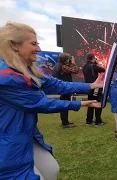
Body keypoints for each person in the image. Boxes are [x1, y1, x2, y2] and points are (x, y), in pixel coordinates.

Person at [0, 22, 103, 180]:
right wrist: (81, 103)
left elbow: (56, 84)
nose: (39, 49)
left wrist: (91, 85)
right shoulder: (6, 78)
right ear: (14, 46)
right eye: (33, 44)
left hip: (24, 133)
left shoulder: (26, 70)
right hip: (7, 142)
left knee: (51, 169)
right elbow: (41, 103)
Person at [52, 53, 79, 128]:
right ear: (65, 59)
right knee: (65, 104)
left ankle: (65, 121)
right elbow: (75, 71)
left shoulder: (57, 65)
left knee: (63, 104)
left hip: (61, 87)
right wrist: (73, 63)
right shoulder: (63, 67)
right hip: (65, 88)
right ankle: (65, 123)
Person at [83, 54, 106, 126]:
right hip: (95, 87)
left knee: (90, 103)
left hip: (88, 87)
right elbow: (103, 70)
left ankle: (89, 120)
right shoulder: (93, 66)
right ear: (93, 59)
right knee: (98, 103)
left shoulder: (84, 66)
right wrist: (97, 63)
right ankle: (98, 121)